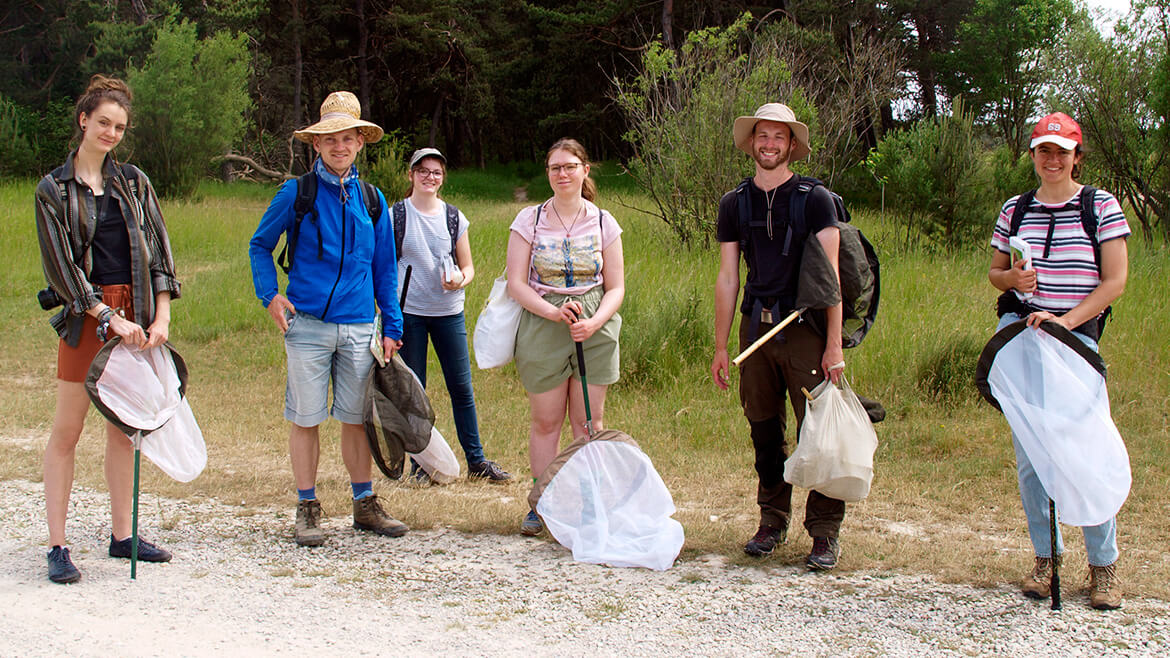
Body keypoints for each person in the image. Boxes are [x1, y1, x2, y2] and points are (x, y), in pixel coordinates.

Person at [34, 74, 182, 584]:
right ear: (84, 120)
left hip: (137, 313)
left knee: (125, 431)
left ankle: (123, 536)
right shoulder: (53, 189)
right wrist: (106, 317)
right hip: (87, 319)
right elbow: (63, 271)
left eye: (119, 125)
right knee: (67, 431)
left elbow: (161, 255)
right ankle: (57, 545)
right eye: (103, 122)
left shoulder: (135, 181)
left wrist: (161, 316)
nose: (112, 132)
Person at [249, 91, 407, 547]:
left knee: (356, 418)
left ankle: (364, 505)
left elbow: (384, 267)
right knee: (307, 417)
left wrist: (392, 327)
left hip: (359, 326)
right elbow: (260, 244)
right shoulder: (296, 192)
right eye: (330, 139)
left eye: (348, 138)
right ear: (316, 145)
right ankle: (307, 507)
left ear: (361, 142)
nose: (339, 146)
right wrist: (270, 297)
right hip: (308, 325)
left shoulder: (373, 200)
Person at [988, 112, 1129, 610]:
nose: (1052, 160)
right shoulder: (1016, 208)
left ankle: (1103, 567)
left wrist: (1065, 321)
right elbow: (996, 273)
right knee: (1031, 458)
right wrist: (1014, 283)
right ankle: (1046, 558)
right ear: (1032, 155)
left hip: (1074, 341)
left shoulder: (1101, 206)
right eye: (1043, 151)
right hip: (1023, 339)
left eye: (1061, 152)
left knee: (1083, 451)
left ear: (1076, 157)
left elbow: (1114, 281)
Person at [710, 103, 848, 570]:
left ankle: (825, 533)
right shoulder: (735, 203)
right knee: (765, 431)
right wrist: (722, 346)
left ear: (792, 145)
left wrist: (834, 345)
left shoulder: (816, 200)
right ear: (751, 143)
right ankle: (772, 520)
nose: (769, 144)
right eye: (762, 136)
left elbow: (831, 278)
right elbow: (728, 278)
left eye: (778, 137)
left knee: (820, 433)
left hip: (807, 329)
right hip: (757, 328)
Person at [505, 138, 624, 535]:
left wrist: (595, 321)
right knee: (546, 420)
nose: (563, 174)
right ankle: (543, 503)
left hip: (595, 324)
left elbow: (616, 287)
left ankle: (591, 503)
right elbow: (516, 284)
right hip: (544, 322)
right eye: (555, 168)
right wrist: (553, 312)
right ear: (548, 174)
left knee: (588, 420)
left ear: (585, 170)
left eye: (570, 166)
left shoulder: (605, 221)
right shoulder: (529, 220)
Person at [395, 147, 511, 482]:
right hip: (410, 314)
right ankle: (422, 465)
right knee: (415, 390)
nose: (430, 177)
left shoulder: (453, 217)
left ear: (443, 178)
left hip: (449, 312)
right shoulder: (395, 216)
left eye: (436, 172)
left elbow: (469, 266)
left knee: (461, 387)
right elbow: (385, 266)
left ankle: (477, 462)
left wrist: (461, 278)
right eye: (423, 171)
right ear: (411, 174)